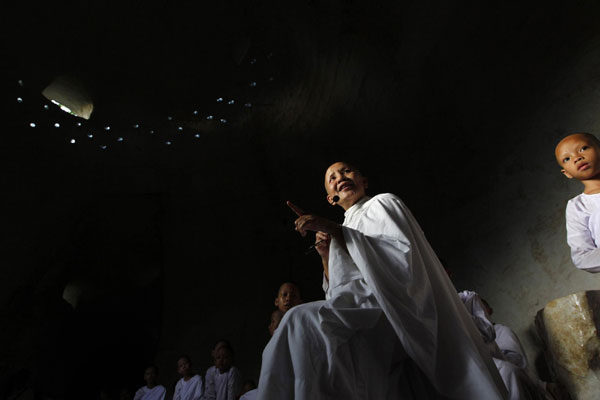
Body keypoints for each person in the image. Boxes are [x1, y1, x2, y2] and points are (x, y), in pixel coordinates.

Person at [256, 161, 508, 399]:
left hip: (394, 310)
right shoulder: (342, 227)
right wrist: (326, 254)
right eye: (332, 178)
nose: (340, 178)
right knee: (299, 329)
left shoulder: (382, 203)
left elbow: (400, 259)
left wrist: (334, 229)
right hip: (362, 312)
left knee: (299, 322)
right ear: (330, 198)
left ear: (364, 181)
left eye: (346, 171)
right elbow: (341, 293)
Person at [555, 132, 600, 272]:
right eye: (567, 159)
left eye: (583, 149)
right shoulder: (578, 207)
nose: (577, 158)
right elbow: (582, 256)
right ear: (566, 173)